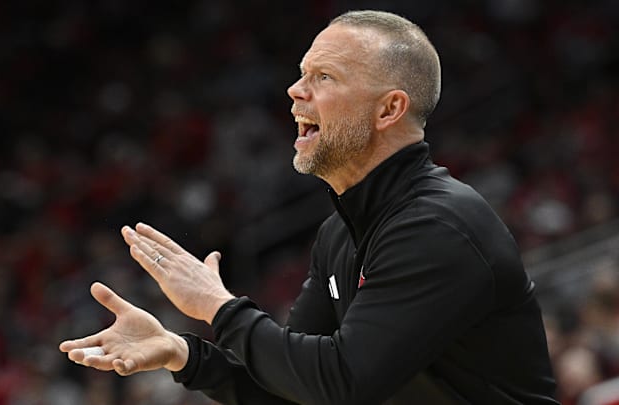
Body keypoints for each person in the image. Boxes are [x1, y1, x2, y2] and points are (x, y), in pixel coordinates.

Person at [59, 10, 559, 404]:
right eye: (302, 74)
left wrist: (217, 306)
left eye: (324, 76)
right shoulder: (341, 234)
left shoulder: (439, 226)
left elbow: (341, 385)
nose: (295, 91)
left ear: (389, 109)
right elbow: (295, 392)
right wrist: (184, 354)